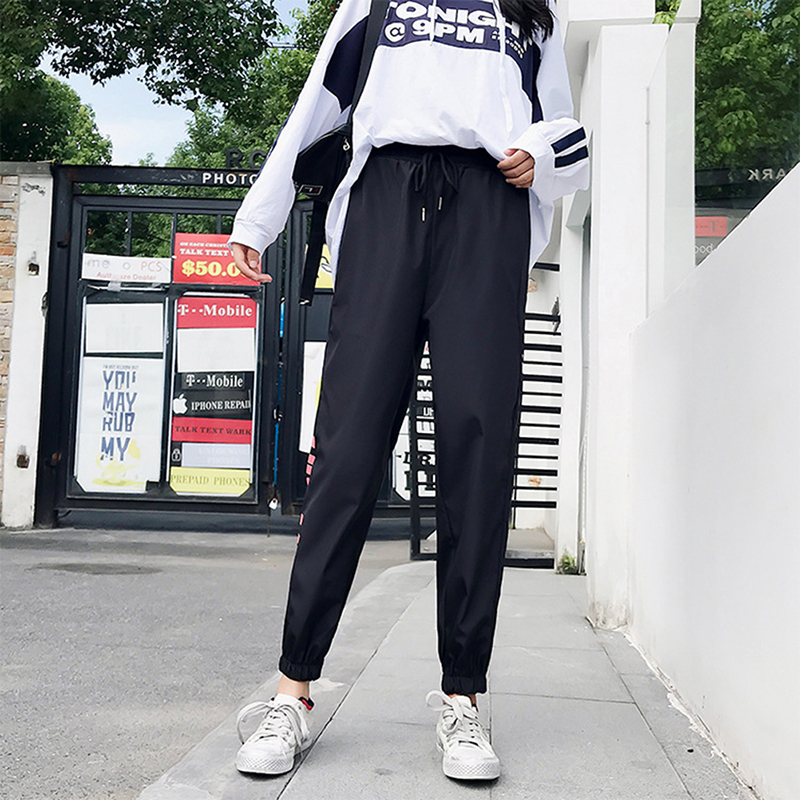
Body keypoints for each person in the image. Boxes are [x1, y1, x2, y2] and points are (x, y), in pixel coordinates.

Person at [228, 0, 588, 782]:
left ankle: (464, 698)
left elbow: (565, 126)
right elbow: (319, 100)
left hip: (488, 208)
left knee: (478, 451)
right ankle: (293, 690)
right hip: (384, 201)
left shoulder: (531, 12)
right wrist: (260, 216)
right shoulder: (375, 2)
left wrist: (540, 153)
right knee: (348, 452)